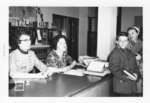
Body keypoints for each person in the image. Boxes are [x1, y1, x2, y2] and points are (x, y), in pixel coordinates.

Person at [108, 32, 140, 96]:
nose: (123, 43)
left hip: (132, 85)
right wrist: (128, 76)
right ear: (117, 42)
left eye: (125, 40)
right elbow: (114, 69)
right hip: (121, 86)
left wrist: (136, 74)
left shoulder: (130, 52)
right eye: (120, 40)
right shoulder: (115, 53)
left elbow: (135, 67)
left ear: (128, 41)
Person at [127, 26, 143, 95]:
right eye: (129, 34)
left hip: (140, 68)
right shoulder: (127, 43)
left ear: (138, 33)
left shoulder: (141, 43)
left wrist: (141, 57)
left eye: (132, 33)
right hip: (130, 67)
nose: (130, 35)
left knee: (139, 88)